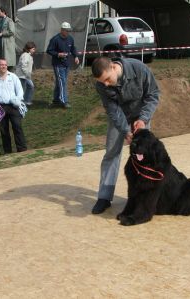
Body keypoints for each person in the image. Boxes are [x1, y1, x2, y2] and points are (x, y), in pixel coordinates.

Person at [90, 56, 160, 214]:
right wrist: (126, 131)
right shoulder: (101, 85)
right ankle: (104, 197)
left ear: (114, 67)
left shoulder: (139, 69)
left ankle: (145, 196)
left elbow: (153, 94)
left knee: (144, 156)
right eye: (102, 82)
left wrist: (143, 119)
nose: (106, 84)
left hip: (141, 116)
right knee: (111, 153)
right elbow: (112, 110)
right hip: (119, 117)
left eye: (107, 79)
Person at [0, 59, 27, 154]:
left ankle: (22, 149)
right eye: (1, 65)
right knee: (4, 130)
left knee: (17, 126)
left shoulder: (13, 76)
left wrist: (18, 100)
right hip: (0, 107)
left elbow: (20, 90)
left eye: (5, 65)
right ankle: (8, 151)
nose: (4, 66)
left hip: (13, 106)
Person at [46, 21, 79, 109]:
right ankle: (64, 101)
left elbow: (73, 48)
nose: (68, 32)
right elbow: (49, 50)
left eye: (69, 30)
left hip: (66, 64)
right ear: (62, 30)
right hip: (58, 64)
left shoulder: (70, 38)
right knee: (62, 82)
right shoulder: (55, 39)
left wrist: (76, 56)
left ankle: (56, 100)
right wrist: (58, 54)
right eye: (66, 30)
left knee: (59, 82)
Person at [0, 6, 16, 71]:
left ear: (3, 12)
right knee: (2, 61)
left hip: (7, 45)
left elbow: (12, 31)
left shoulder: (9, 21)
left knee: (9, 62)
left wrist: (2, 34)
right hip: (1, 44)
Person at [16, 41, 36, 106]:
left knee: (30, 86)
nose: (34, 50)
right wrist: (27, 74)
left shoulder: (28, 56)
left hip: (25, 75)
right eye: (33, 49)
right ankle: (23, 101)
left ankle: (26, 101)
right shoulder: (25, 55)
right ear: (29, 48)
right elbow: (23, 66)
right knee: (24, 88)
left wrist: (29, 73)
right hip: (21, 76)